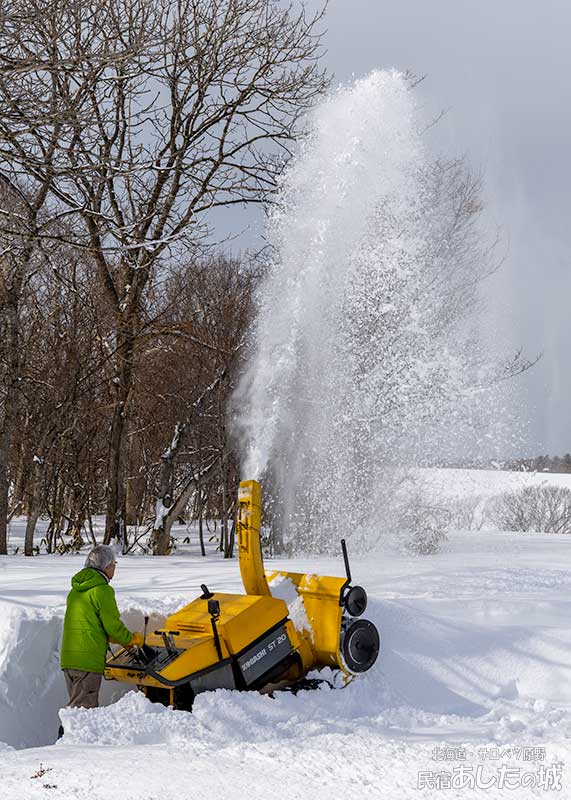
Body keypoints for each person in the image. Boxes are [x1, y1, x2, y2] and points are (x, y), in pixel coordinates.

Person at [60, 544, 143, 719]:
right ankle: (66, 736)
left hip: (70, 659)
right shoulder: (103, 590)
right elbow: (112, 626)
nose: (114, 569)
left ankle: (69, 734)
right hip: (87, 662)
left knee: (76, 710)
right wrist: (131, 639)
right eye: (114, 565)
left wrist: (116, 639)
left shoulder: (75, 591)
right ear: (106, 566)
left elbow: (93, 624)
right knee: (83, 714)